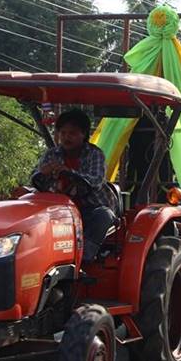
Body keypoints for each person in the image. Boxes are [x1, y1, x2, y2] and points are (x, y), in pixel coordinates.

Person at [26, 109, 119, 262]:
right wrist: (42, 173)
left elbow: (95, 181)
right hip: (60, 209)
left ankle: (83, 257)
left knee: (104, 216)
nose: (66, 137)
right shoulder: (51, 155)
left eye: (72, 133)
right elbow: (35, 179)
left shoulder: (95, 154)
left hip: (90, 208)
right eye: (63, 133)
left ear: (83, 134)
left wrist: (69, 172)